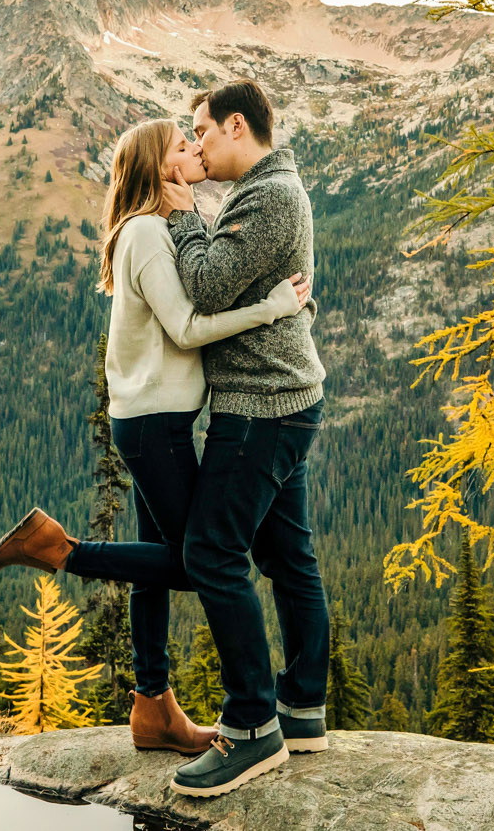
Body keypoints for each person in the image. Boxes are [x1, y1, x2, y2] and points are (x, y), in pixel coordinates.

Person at [0, 116, 310, 757]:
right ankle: (61, 551)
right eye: (183, 147)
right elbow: (187, 329)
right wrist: (273, 308)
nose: (195, 151)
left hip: (152, 420)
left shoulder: (146, 230)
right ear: (160, 168)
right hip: (155, 426)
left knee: (156, 566)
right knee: (200, 563)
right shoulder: (149, 234)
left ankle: (153, 705)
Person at [162, 79, 330, 798]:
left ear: (237, 125)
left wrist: (180, 211)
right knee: (285, 552)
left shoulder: (268, 196)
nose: (195, 143)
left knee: (212, 551)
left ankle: (253, 726)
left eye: (201, 130)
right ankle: (302, 705)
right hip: (284, 397)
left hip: (261, 407)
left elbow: (204, 282)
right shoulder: (271, 187)